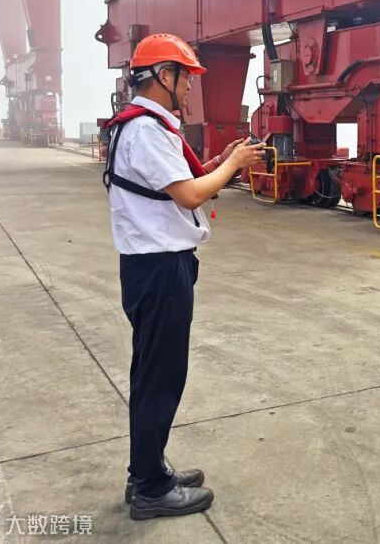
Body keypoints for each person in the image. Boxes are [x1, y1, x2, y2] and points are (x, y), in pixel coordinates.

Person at [102, 33, 264, 520]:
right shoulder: (146, 130)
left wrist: (221, 162)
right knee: (161, 377)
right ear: (164, 76)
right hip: (158, 268)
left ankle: (148, 469)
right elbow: (191, 196)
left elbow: (183, 183)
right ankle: (150, 488)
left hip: (156, 266)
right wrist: (233, 164)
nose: (191, 87)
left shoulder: (146, 126)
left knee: (155, 373)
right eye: (186, 77)